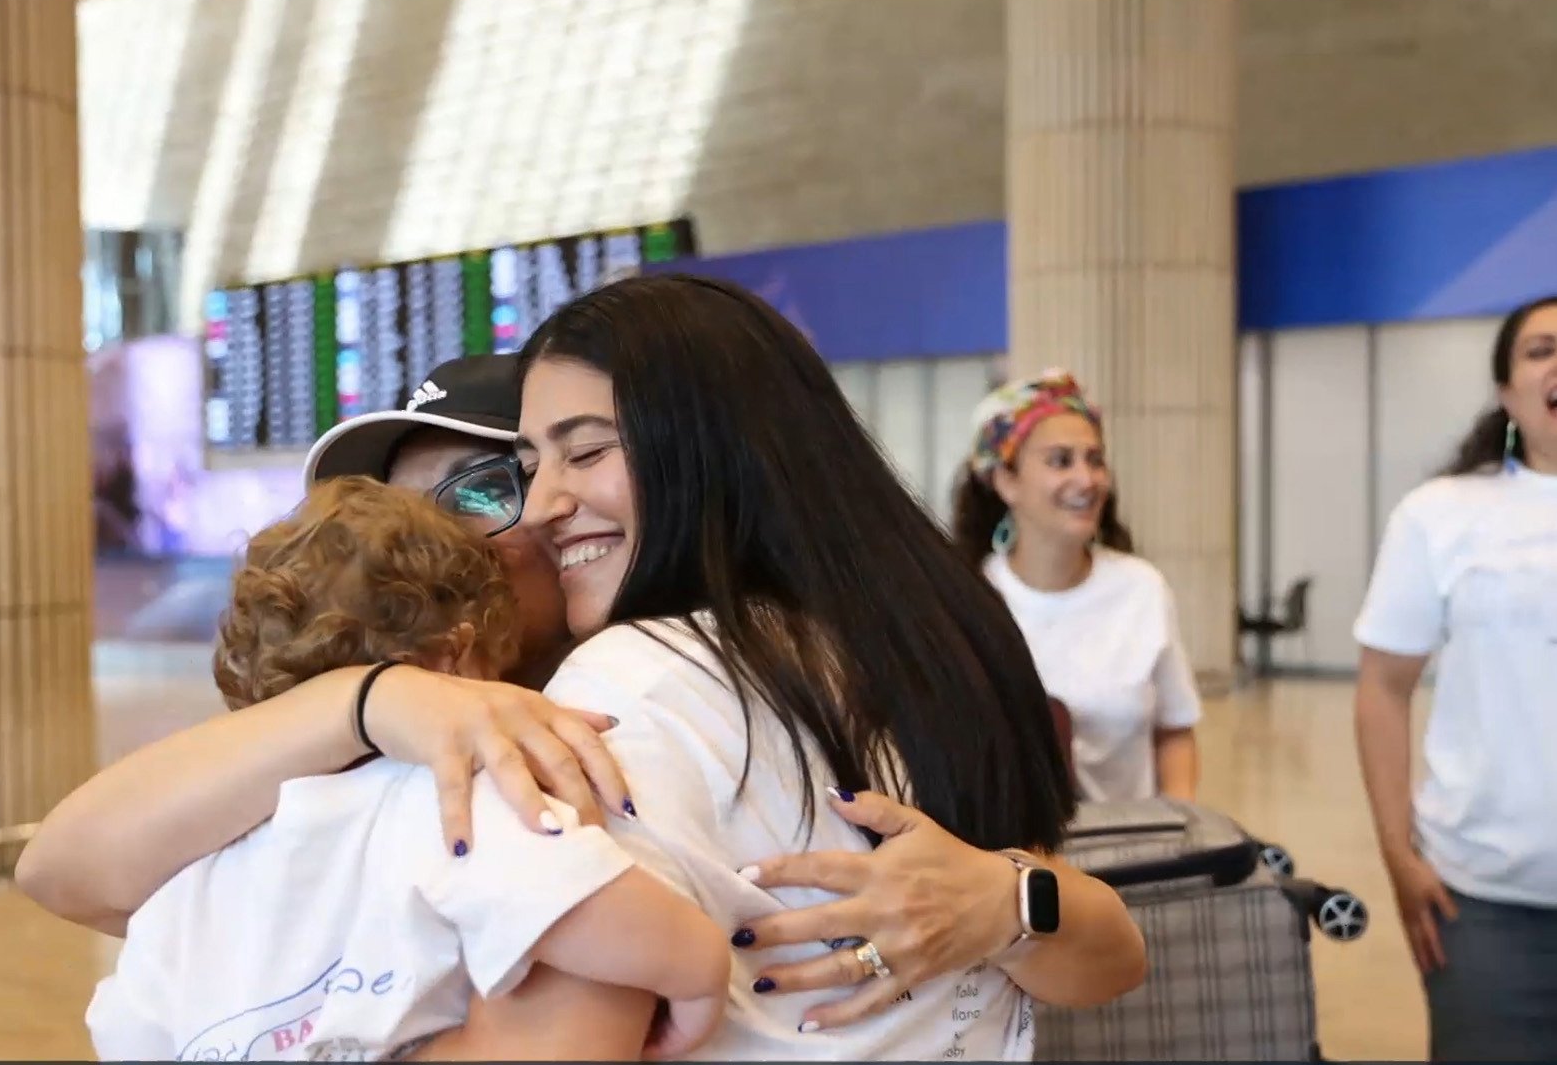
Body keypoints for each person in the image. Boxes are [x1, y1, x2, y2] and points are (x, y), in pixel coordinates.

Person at [19, 342, 1143, 1039]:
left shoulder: (660, 705)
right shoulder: (387, 746)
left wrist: (1009, 899)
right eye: (400, 522)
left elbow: (1100, 950)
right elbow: (64, 868)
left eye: (482, 486)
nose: (527, 515)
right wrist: (372, 701)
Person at [489, 272, 1144, 1057]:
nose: (540, 507)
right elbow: (1097, 958)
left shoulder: (625, 690)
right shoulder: (935, 636)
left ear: (712, 447)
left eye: (586, 450)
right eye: (529, 468)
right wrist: (1012, 904)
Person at [86, 477, 730, 1060]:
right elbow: (582, 907)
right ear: (458, 657)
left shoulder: (195, 871)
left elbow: (127, 1027)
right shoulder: (453, 798)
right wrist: (699, 972)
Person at [1352, 294, 1557, 1061]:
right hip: (1480, 905)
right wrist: (1399, 855)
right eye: (1540, 350)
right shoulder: (1440, 513)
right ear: (1506, 393)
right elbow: (1382, 689)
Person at [948, 370, 1201, 803]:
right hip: (1012, 861)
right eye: (1060, 460)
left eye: (1095, 459)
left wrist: (1181, 824)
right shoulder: (969, 599)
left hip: (1131, 855)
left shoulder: (1141, 589)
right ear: (1006, 481)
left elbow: (1174, 728)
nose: (1087, 480)